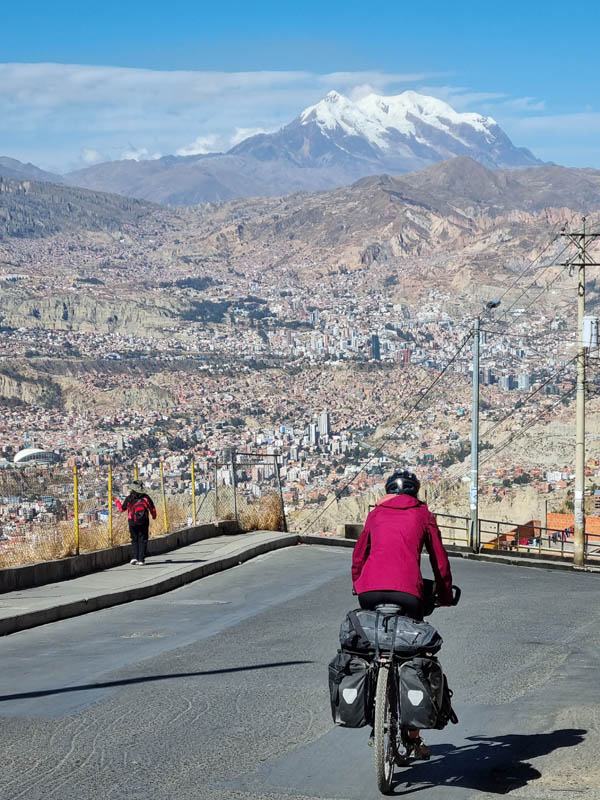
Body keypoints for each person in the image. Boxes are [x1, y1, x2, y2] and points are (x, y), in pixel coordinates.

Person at [351, 469, 454, 761]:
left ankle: (374, 709)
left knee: (374, 646)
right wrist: (445, 595)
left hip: (369, 592)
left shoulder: (375, 514)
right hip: (408, 594)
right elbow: (439, 560)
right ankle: (412, 736)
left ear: (388, 491)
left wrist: (359, 585)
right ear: (415, 492)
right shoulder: (423, 514)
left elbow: (359, 556)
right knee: (411, 652)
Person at [115, 480, 157, 565]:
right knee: (143, 540)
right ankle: (141, 559)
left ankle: (134, 557)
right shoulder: (146, 498)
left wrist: (116, 501)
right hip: (144, 521)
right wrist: (153, 516)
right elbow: (152, 509)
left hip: (132, 521)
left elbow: (122, 509)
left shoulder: (130, 498)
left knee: (134, 539)